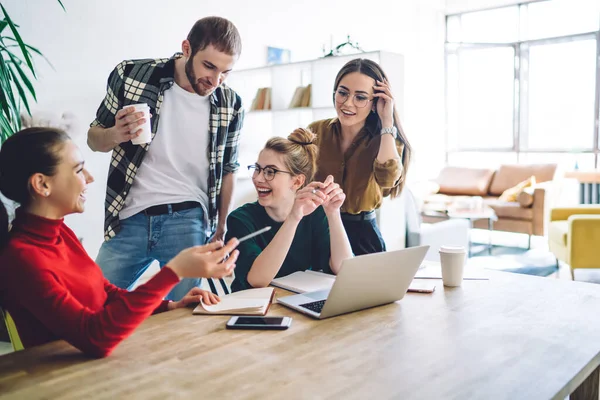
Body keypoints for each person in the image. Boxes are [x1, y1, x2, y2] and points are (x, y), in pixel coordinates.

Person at [0, 128, 240, 357]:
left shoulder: (60, 232)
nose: (89, 178)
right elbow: (95, 336)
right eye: (78, 170)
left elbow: (105, 293)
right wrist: (174, 272)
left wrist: (169, 306)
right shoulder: (22, 258)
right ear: (42, 184)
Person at [87, 16, 244, 300]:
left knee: (181, 317)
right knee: (92, 301)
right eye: (209, 66)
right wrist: (116, 134)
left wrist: (221, 226)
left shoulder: (231, 103)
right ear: (187, 49)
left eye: (226, 72)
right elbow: (93, 139)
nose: (215, 80)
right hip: (130, 217)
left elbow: (229, 169)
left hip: (189, 220)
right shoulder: (132, 74)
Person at [225, 128, 353, 292]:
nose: (257, 178)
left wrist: (333, 213)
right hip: (255, 311)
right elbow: (257, 280)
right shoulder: (240, 220)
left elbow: (343, 269)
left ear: (297, 181)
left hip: (299, 305)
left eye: (270, 172)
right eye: (257, 168)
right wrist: (293, 218)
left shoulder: (316, 214)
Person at [308, 58, 412, 256]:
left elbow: (388, 179)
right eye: (343, 93)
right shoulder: (316, 131)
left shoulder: (386, 139)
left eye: (361, 97)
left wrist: (386, 120)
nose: (348, 103)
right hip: (317, 231)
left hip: (362, 237)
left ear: (375, 103)